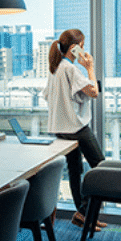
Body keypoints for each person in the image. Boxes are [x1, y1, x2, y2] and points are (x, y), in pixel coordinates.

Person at [43, 29, 106, 230]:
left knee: (75, 170)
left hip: (60, 129)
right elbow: (94, 92)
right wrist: (90, 67)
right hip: (76, 128)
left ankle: (84, 216)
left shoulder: (55, 68)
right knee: (101, 167)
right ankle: (85, 211)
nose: (84, 50)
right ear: (74, 48)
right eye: (83, 46)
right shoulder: (70, 69)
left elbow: (47, 96)